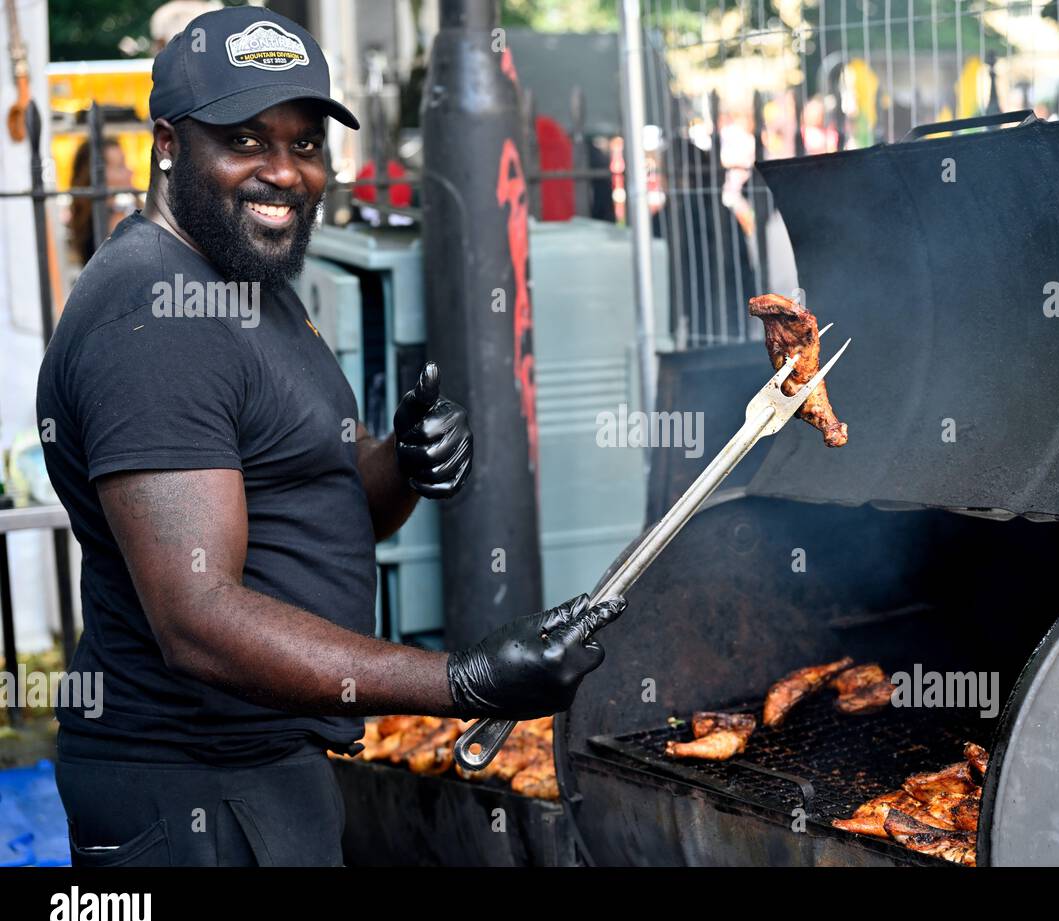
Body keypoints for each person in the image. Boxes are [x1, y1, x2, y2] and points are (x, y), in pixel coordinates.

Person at [35, 6, 624, 867]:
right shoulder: (152, 315)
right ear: (168, 144)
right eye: (246, 140)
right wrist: (457, 682)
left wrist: (405, 461)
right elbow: (197, 618)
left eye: (305, 144)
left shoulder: (242, 275)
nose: (284, 173)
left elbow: (323, 501)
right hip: (191, 794)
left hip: (268, 770)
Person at [67, 135, 137, 266]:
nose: (130, 172)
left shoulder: (88, 217)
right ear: (98, 175)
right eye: (120, 166)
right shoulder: (116, 222)